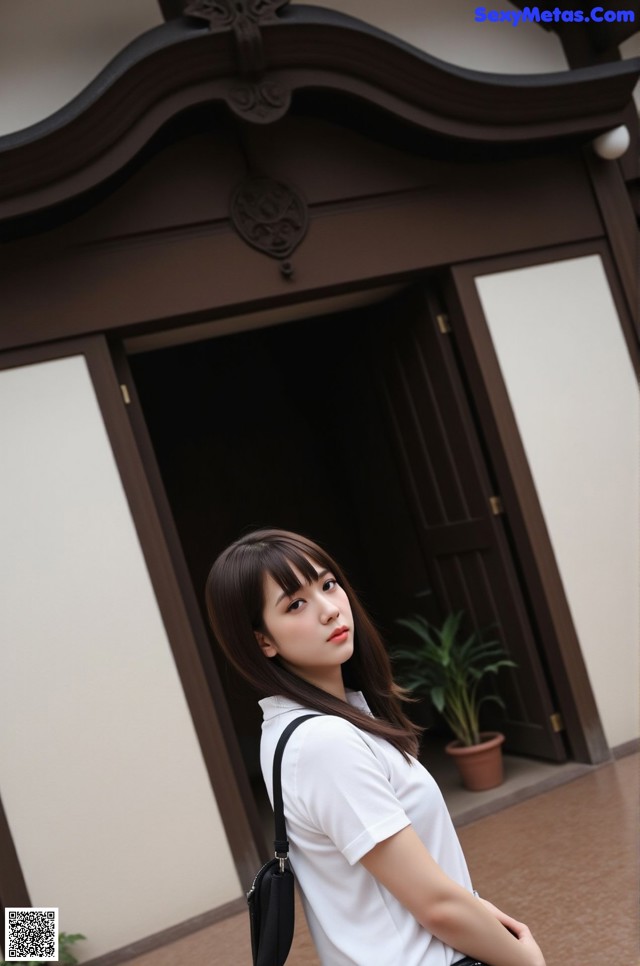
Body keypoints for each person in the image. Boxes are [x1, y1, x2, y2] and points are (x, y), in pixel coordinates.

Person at [205, 528, 546, 966]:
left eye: (328, 585)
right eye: (295, 604)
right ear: (262, 641)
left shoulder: (296, 730)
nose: (329, 610)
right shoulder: (323, 743)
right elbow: (434, 905)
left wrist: (482, 915)